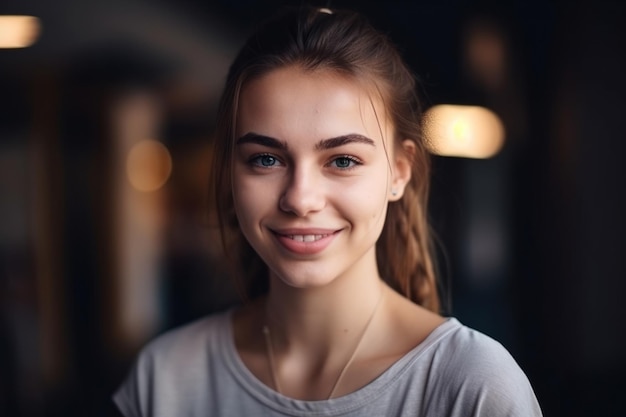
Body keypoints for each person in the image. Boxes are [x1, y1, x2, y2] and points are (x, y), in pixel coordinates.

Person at [112, 5, 542, 416]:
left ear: (399, 172)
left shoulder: (473, 386)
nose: (300, 198)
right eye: (266, 159)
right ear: (229, 171)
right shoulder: (166, 379)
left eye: (342, 161)